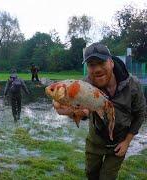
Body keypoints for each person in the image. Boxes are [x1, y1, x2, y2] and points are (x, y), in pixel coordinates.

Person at [53, 43, 146, 179]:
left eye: (101, 62)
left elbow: (140, 114)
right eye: (91, 64)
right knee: (91, 174)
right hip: (94, 142)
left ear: (111, 62)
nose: (96, 69)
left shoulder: (133, 85)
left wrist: (127, 142)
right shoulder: (83, 86)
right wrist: (71, 111)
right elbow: (84, 112)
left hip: (118, 145)